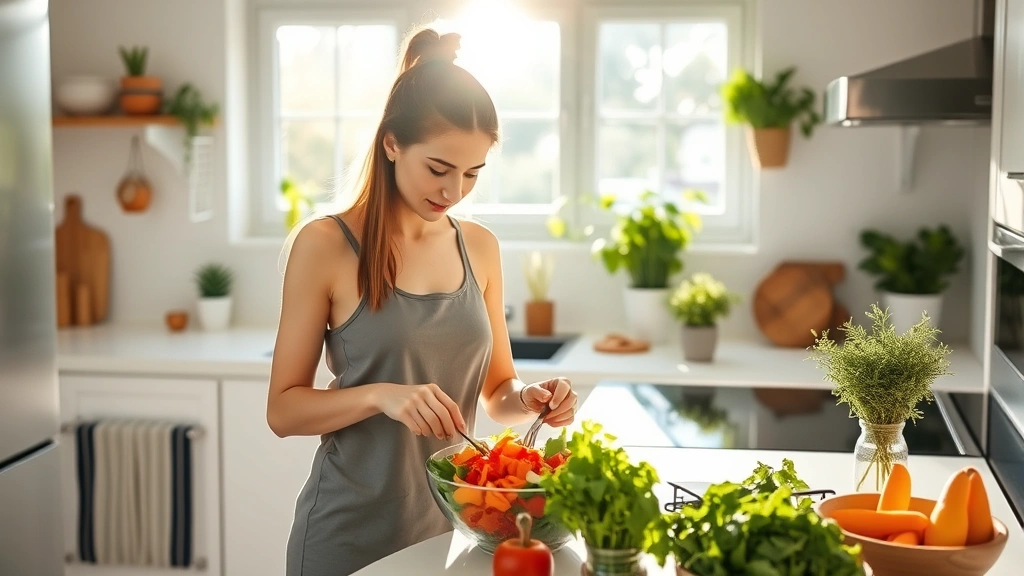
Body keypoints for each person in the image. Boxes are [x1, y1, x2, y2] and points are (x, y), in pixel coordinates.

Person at [266, 25, 578, 576]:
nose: (453, 191)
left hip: (447, 537)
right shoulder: (326, 244)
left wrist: (531, 398)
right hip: (346, 534)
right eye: (439, 169)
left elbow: (497, 393)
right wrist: (381, 395)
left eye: (472, 174)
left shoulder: (479, 247)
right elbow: (284, 410)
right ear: (392, 143)